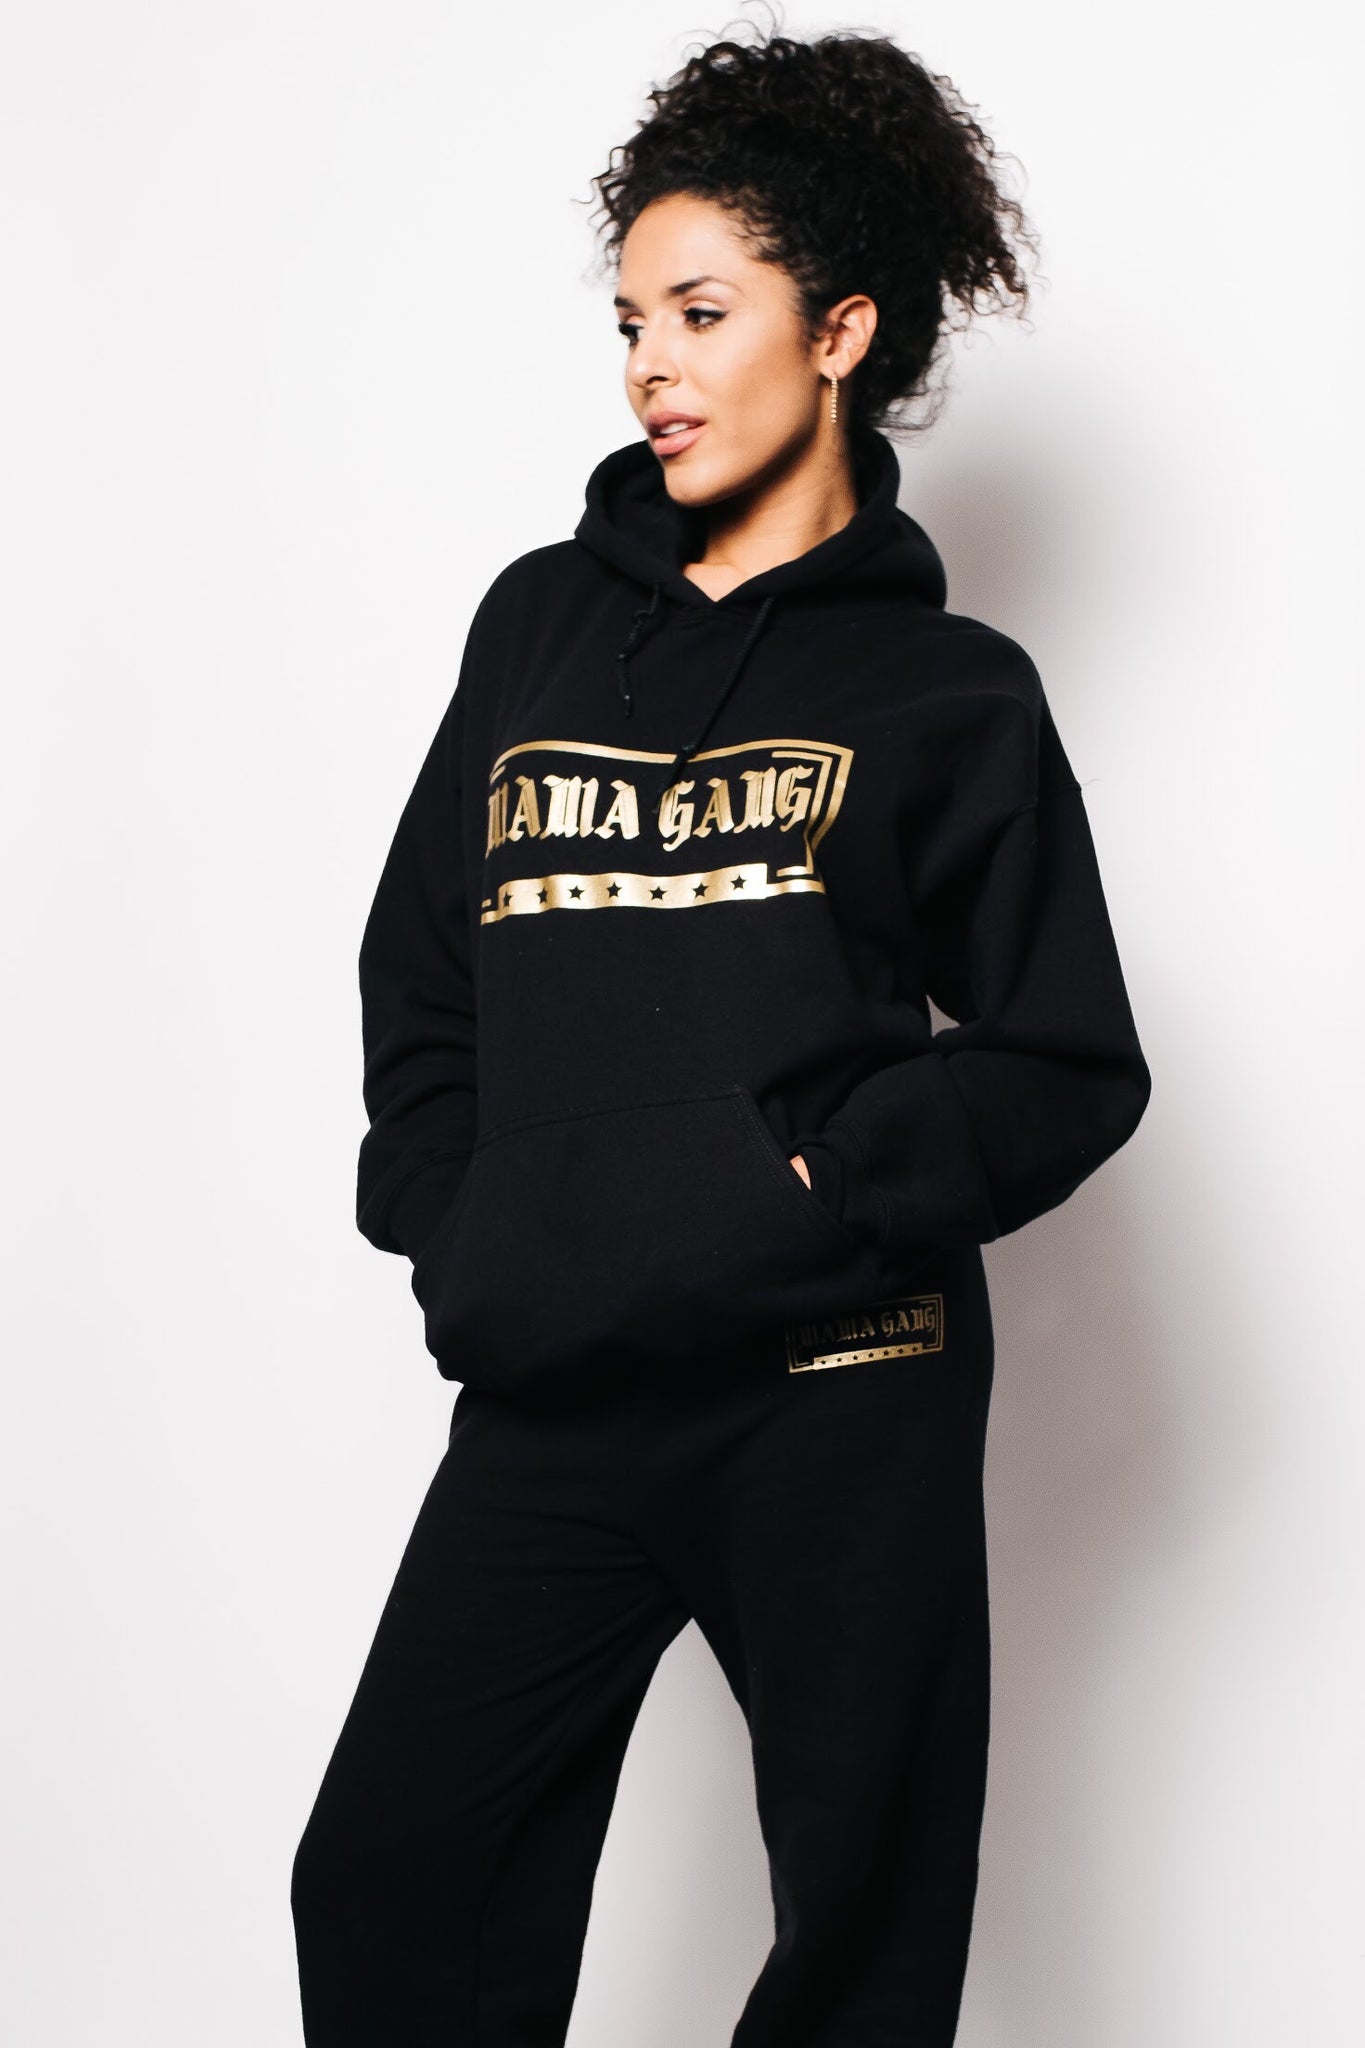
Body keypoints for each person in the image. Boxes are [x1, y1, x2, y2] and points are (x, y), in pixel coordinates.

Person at [290, 20, 1152, 2045]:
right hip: (562, 1375)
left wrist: (811, 1184)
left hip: (836, 1385)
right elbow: (423, 972)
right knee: (394, 1878)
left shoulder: (951, 693)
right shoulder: (539, 624)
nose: (649, 367)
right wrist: (461, 1224)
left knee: (859, 1931)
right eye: (629, 322)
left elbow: (1062, 1058)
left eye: (700, 313)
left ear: (836, 332)